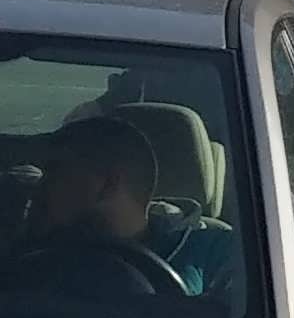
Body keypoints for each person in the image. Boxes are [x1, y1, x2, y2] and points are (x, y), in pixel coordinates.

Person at [8, 112, 182, 305]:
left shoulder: (201, 256)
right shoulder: (16, 254)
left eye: (55, 174)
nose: (37, 190)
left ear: (107, 186)